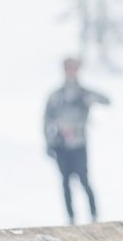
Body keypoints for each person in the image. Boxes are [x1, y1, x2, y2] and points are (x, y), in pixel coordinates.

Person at [43, 57, 110, 224]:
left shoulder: (83, 93)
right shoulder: (56, 95)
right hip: (61, 145)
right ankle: (71, 217)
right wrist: (49, 142)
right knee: (65, 183)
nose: (71, 72)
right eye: (68, 68)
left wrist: (87, 97)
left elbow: (106, 100)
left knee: (84, 181)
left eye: (74, 69)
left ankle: (94, 216)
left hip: (79, 144)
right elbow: (46, 119)